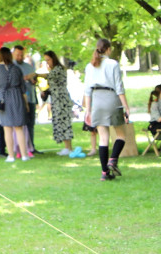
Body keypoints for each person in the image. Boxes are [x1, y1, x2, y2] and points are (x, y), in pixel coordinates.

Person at [82, 38, 130, 181]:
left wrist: (88, 109)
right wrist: (126, 106)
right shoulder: (112, 64)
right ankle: (113, 159)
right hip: (111, 98)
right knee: (121, 134)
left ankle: (104, 173)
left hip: (97, 100)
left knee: (103, 137)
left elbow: (87, 90)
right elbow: (119, 87)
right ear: (108, 49)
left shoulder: (89, 66)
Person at [0, 47, 30, 163]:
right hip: (17, 97)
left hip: (3, 98)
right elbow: (23, 87)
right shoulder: (17, 68)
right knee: (19, 128)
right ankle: (24, 155)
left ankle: (11, 156)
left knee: (7, 128)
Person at [42, 51, 74, 155]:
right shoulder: (56, 70)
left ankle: (68, 147)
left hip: (61, 100)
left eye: (48, 60)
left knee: (64, 122)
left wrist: (35, 75)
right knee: (61, 122)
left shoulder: (58, 70)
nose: (47, 63)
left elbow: (48, 76)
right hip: (57, 99)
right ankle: (67, 147)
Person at [12, 45, 37, 153]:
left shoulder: (28, 66)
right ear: (13, 54)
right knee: (20, 125)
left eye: (21, 55)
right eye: (17, 55)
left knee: (30, 124)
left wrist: (33, 80)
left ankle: (31, 147)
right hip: (19, 99)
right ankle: (21, 148)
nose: (19, 57)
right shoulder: (12, 66)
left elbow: (33, 80)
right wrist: (26, 77)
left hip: (30, 97)